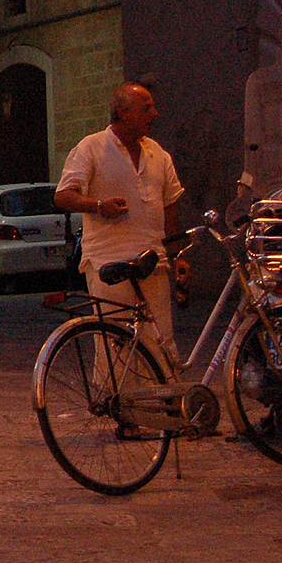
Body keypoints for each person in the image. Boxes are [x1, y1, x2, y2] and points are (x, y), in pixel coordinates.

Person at [54, 82, 189, 357]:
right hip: (108, 263)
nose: (155, 114)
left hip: (154, 262)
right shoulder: (91, 147)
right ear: (122, 113)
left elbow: (170, 207)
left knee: (161, 343)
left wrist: (178, 257)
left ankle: (161, 397)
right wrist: (99, 205)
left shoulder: (158, 154)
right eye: (147, 107)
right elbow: (64, 195)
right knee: (115, 347)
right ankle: (116, 400)